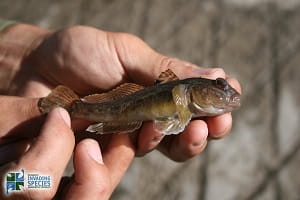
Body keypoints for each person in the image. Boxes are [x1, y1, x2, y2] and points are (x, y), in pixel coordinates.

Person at [0, 21, 241, 199]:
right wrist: (11, 182)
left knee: (16, 181)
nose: (227, 96)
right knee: (17, 182)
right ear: (197, 87)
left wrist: (28, 50)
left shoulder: (187, 99)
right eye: (220, 88)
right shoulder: (182, 91)